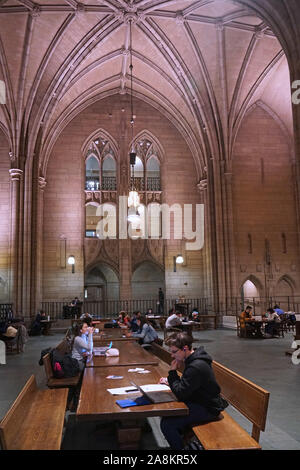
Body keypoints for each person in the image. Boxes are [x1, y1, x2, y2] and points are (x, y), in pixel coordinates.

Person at [159, 332, 226, 450]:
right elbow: (187, 385)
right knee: (169, 415)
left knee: (167, 424)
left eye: (174, 352)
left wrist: (173, 372)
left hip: (208, 407)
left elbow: (180, 393)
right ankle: (184, 442)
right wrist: (172, 382)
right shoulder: (193, 359)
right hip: (201, 400)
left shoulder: (196, 366)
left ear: (185, 348)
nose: (172, 355)